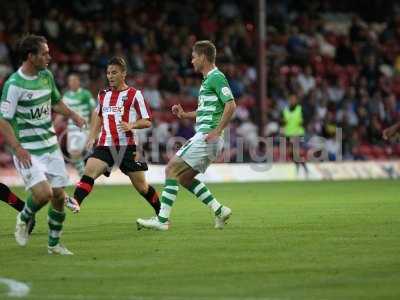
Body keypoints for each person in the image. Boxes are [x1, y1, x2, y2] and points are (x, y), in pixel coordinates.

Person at [136, 40, 236, 231]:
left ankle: (162, 219)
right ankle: (219, 209)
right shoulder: (208, 80)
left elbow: (231, 105)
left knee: (171, 169)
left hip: (208, 136)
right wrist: (184, 115)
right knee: (185, 179)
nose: (191, 61)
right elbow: (207, 111)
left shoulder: (216, 77)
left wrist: (216, 130)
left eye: (194, 56)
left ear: (204, 57)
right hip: (210, 138)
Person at [0, 34, 86, 255]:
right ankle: (24, 216)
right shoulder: (14, 85)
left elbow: (55, 101)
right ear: (31, 56)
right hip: (27, 150)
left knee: (58, 196)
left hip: (50, 146)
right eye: (44, 53)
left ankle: (54, 244)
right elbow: (3, 120)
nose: (49, 56)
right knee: (44, 194)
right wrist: (17, 148)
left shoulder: (46, 76)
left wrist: (73, 115)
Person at [67, 57, 160, 215]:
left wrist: (132, 125)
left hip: (128, 146)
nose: (110, 76)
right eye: (108, 73)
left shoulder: (134, 95)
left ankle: (161, 213)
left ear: (123, 73)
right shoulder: (103, 94)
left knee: (142, 187)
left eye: (114, 72)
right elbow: (98, 114)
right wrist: (92, 135)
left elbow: (148, 121)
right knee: (89, 170)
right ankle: (76, 201)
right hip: (106, 144)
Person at [62, 73, 96, 176]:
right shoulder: (66, 96)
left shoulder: (86, 94)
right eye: (70, 81)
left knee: (75, 152)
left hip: (83, 129)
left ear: (78, 82)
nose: (72, 83)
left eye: (74, 80)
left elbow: (94, 111)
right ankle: (84, 176)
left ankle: (84, 177)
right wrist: (54, 125)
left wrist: (93, 128)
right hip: (71, 130)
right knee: (74, 155)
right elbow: (62, 112)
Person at [281, 93, 309, 177]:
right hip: (288, 134)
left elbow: (306, 119)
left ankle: (303, 169)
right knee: (291, 153)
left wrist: (303, 123)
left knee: (294, 152)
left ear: (296, 100)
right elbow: (283, 121)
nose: (292, 100)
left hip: (298, 133)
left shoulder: (300, 109)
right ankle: (303, 167)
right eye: (291, 99)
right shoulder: (285, 110)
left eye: (294, 99)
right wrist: (283, 127)